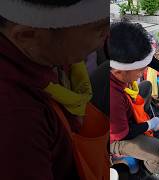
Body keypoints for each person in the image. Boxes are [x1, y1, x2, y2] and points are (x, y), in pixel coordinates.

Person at [0, 0, 109, 179]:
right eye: (100, 29)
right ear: (28, 35)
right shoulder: (17, 120)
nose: (107, 35)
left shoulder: (46, 52)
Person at [106, 21, 159, 179]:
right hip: (115, 136)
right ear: (118, 72)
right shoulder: (112, 96)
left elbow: (144, 60)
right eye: (140, 70)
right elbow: (123, 134)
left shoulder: (115, 51)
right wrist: (150, 124)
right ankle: (148, 170)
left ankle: (139, 118)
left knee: (147, 85)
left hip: (123, 113)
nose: (144, 71)